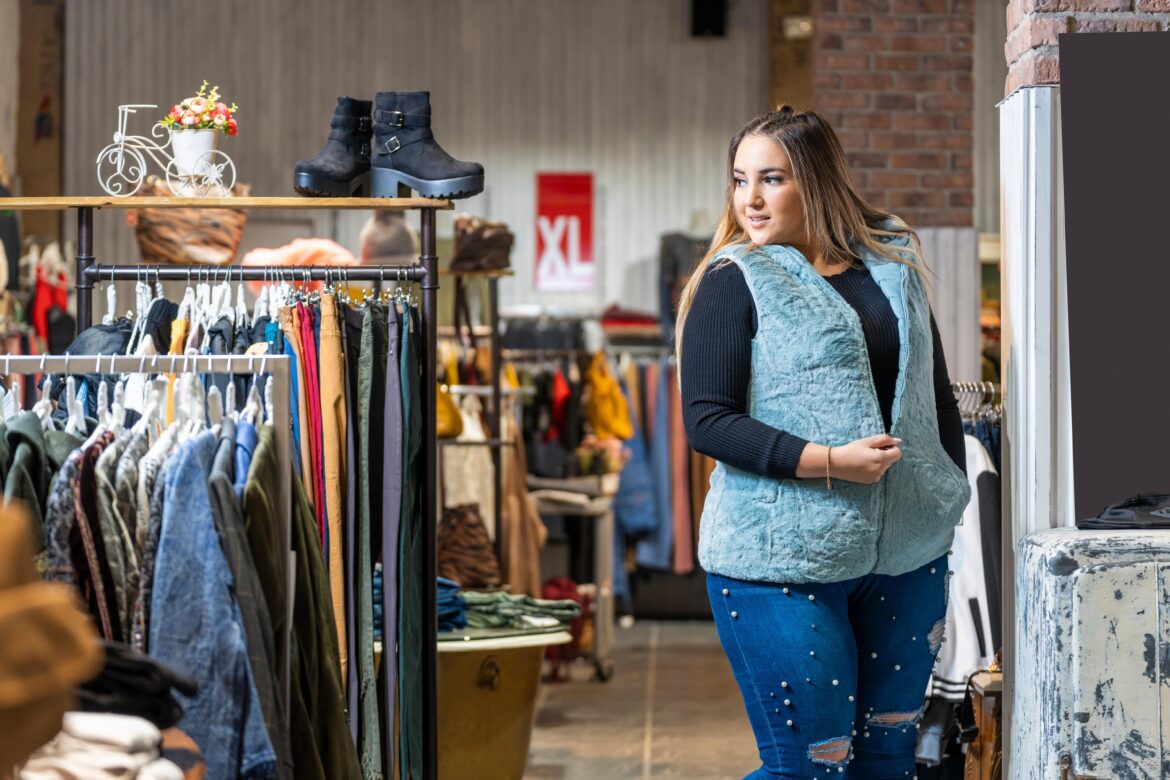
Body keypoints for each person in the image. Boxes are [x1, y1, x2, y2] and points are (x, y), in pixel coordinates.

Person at [676, 106, 971, 778]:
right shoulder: (733, 280)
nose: (749, 199)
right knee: (810, 768)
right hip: (779, 563)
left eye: (771, 179)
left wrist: (946, 488)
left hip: (908, 554)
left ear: (816, 180)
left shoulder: (892, 265)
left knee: (887, 760)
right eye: (739, 180)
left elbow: (935, 394)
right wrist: (831, 463)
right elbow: (708, 421)